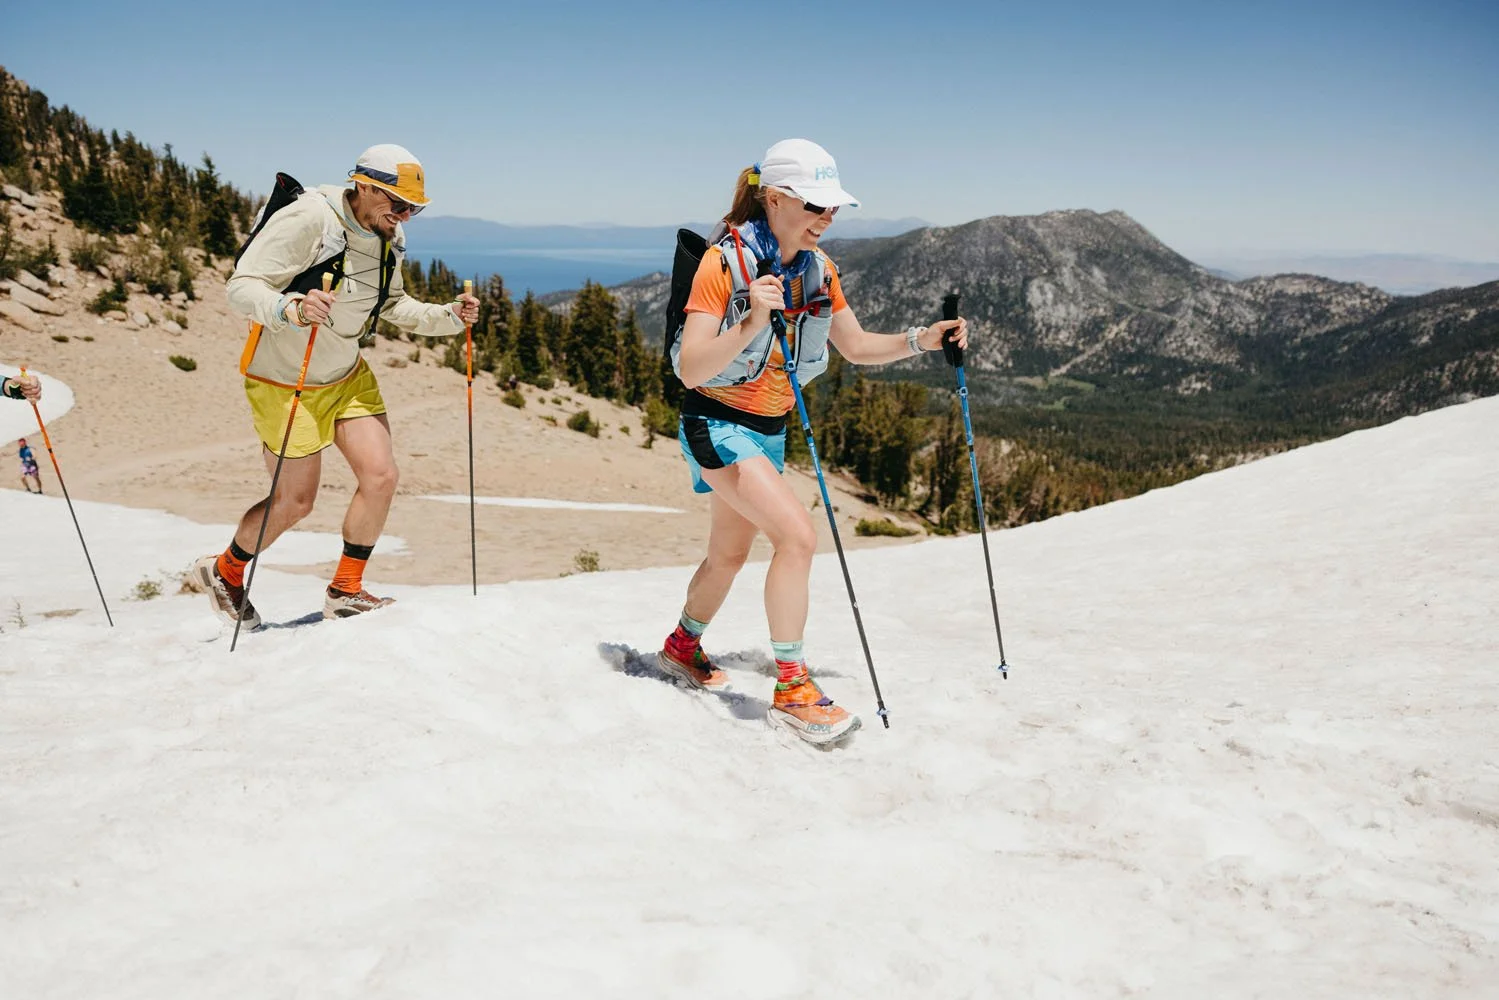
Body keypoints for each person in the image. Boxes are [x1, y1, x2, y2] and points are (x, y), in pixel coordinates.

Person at [658, 138, 969, 744]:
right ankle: (792, 689)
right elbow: (691, 368)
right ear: (774, 199)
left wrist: (922, 339)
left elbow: (853, 347)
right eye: (815, 207)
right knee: (797, 537)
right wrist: (750, 321)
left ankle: (681, 646)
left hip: (768, 430)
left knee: (727, 555)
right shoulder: (723, 264)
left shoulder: (820, 271)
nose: (827, 220)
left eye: (833, 209)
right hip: (715, 422)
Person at [193, 144, 479, 629]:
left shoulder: (391, 234)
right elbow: (241, 286)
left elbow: (391, 305)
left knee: (382, 477)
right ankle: (225, 572)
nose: (406, 215)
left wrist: (446, 317)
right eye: (398, 203)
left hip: (346, 374)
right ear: (363, 186)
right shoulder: (311, 219)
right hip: (286, 381)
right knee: (294, 503)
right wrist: (292, 309)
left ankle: (345, 590)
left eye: (415, 207)